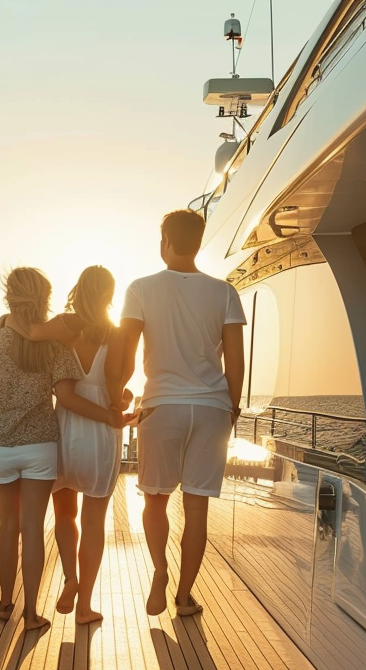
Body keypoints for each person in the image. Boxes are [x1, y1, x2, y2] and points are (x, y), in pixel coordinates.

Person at [108, 210, 246, 616]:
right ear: (199, 242)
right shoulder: (224, 292)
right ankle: (184, 597)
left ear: (165, 239)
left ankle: (159, 569)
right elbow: (235, 362)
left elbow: (127, 355)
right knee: (197, 507)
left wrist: (118, 395)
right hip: (211, 409)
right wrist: (231, 409)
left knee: (155, 500)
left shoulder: (140, 289)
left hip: (161, 406)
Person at [0, 267, 121, 631]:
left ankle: (6, 603)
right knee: (33, 528)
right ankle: (32, 613)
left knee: (8, 526)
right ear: (43, 297)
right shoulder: (54, 345)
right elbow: (66, 395)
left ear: (10, 296)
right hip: (40, 444)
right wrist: (113, 415)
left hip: (0, 442)